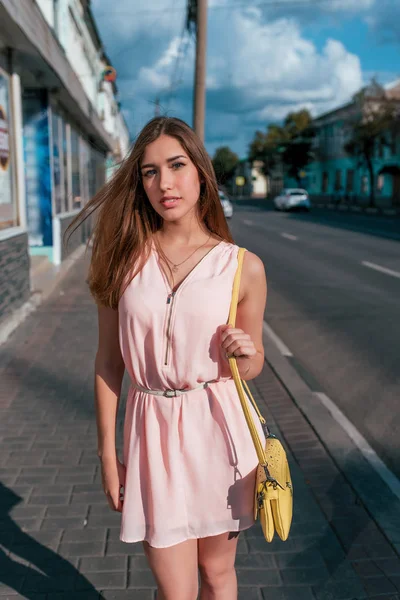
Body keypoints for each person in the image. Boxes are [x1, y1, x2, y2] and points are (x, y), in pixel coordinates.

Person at [68, 116, 267, 600]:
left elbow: (254, 363)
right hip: (151, 430)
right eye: (150, 172)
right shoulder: (121, 261)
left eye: (176, 165)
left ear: (201, 173)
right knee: (174, 590)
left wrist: (246, 351)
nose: (164, 183)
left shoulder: (242, 266)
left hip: (220, 433)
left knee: (217, 577)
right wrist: (106, 453)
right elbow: (108, 363)